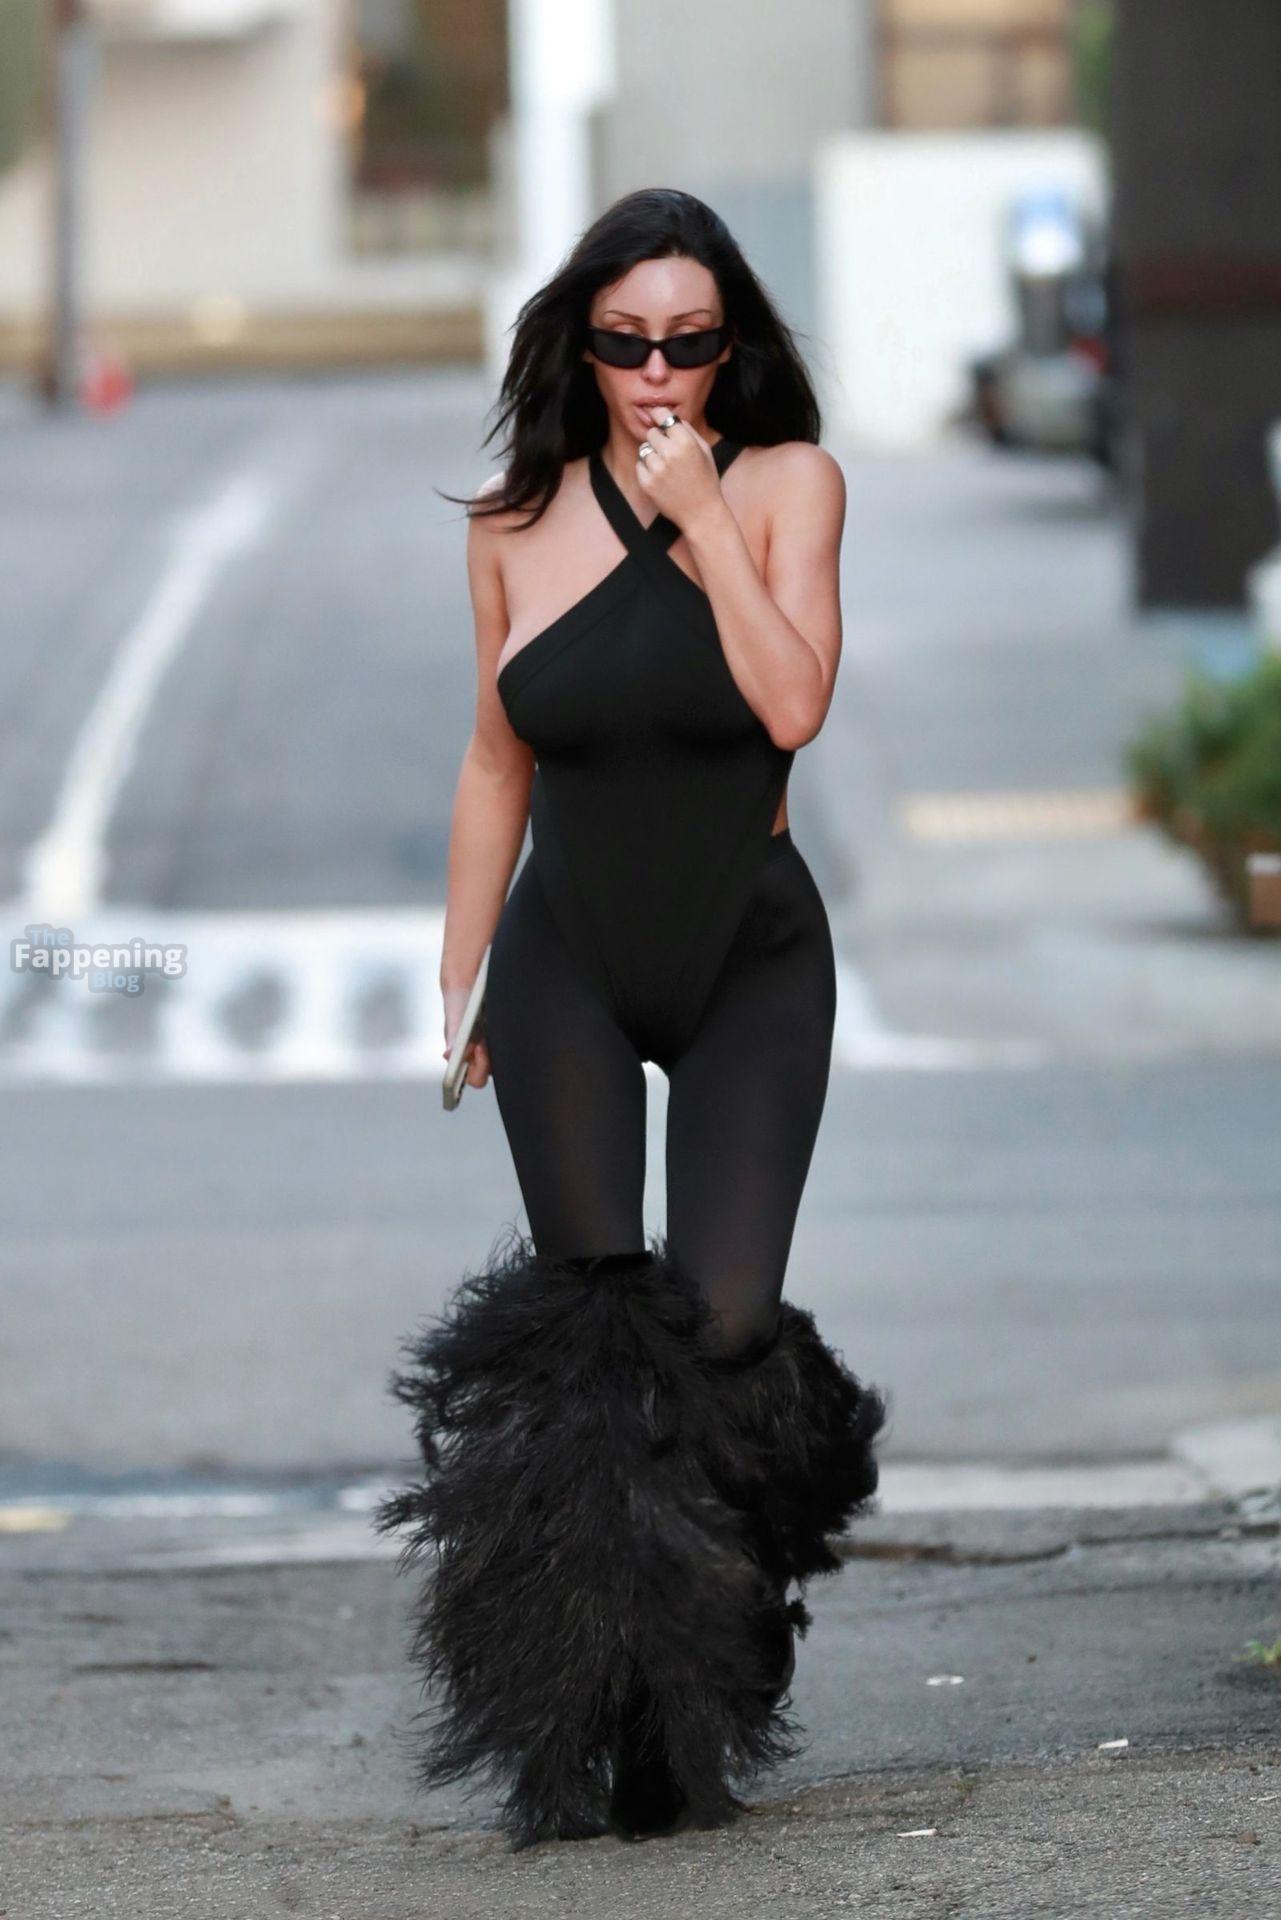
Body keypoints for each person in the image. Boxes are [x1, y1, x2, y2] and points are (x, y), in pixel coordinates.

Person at [376, 187, 888, 1853]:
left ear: (731, 347)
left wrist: (707, 523)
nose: (658, 373)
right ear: (577, 347)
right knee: (596, 1346)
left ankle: (714, 1649)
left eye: (690, 342)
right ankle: (600, 1710)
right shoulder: (510, 521)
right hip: (570, 960)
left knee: (719, 1331)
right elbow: (491, 762)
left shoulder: (789, 483)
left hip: (749, 953)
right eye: (625, 342)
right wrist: (460, 979)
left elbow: (791, 703)